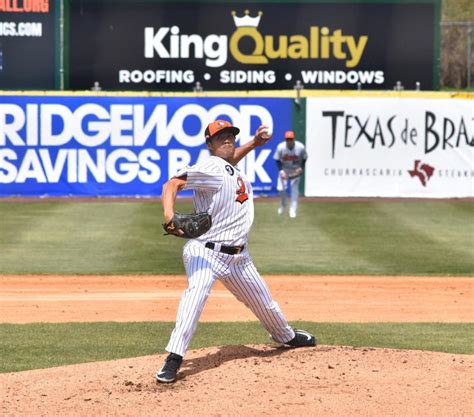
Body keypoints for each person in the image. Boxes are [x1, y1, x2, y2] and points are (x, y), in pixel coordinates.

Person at [156, 120, 317, 383]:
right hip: (205, 252)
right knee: (195, 297)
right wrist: (169, 216)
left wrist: (254, 143)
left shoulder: (228, 167)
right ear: (209, 144)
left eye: (230, 135)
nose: (227, 139)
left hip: (239, 258)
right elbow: (171, 184)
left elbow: (229, 161)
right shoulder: (210, 166)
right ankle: (173, 358)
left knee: (264, 303)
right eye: (220, 137)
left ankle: (285, 336)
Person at [273, 130, 308, 218]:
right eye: (287, 139)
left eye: (290, 139)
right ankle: (283, 203)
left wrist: (301, 168)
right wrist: (281, 171)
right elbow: (277, 159)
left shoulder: (300, 147)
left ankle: (293, 210)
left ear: (293, 139)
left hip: (295, 170)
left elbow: (304, 158)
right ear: (285, 139)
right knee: (280, 189)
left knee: (294, 191)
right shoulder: (281, 147)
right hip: (284, 169)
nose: (289, 141)